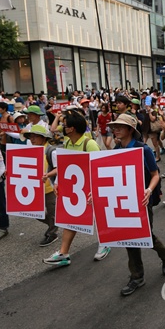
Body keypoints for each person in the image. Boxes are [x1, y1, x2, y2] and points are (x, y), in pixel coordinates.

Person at [106, 114, 165, 296]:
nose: (116, 129)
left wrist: (149, 190)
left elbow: (155, 174)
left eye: (120, 126)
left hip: (142, 201)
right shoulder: (115, 149)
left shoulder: (143, 150)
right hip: (123, 201)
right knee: (130, 237)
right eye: (115, 126)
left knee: (145, 235)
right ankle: (137, 276)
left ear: (130, 130)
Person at [43, 109, 111, 266]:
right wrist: (58, 182)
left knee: (100, 215)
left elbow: (100, 168)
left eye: (64, 125)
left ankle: (106, 242)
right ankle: (63, 253)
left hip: (92, 187)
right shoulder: (67, 143)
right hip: (75, 188)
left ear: (71, 128)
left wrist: (96, 189)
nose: (62, 128)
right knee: (71, 217)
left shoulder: (90, 144)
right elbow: (64, 166)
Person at [22, 125, 59, 246]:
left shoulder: (50, 151)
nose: (32, 139)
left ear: (43, 138)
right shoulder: (31, 150)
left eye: (35, 136)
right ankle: (53, 225)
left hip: (49, 188)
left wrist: (48, 175)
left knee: (52, 211)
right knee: (33, 211)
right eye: (30, 137)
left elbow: (59, 168)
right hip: (34, 188)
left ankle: (52, 233)